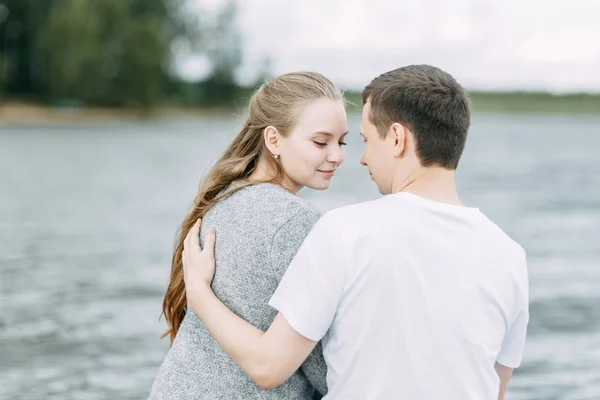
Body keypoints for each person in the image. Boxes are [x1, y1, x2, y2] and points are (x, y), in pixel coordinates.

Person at [182, 65, 530, 400]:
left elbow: (268, 366)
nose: (360, 159)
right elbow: (492, 389)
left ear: (397, 138)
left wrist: (199, 294)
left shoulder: (343, 232)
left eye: (363, 140)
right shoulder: (511, 257)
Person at [148, 72, 348, 399]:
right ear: (273, 140)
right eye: (320, 142)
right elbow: (325, 369)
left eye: (342, 142)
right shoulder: (295, 222)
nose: (337, 155)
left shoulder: (222, 198)